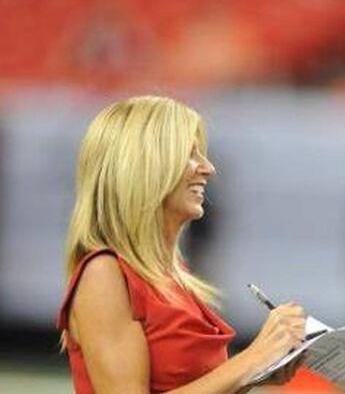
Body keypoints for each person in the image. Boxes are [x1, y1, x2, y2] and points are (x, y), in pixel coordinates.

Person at [57, 96, 306, 393]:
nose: (208, 168)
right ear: (144, 168)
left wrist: (261, 373)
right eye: (190, 154)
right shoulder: (103, 274)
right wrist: (252, 359)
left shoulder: (171, 276)